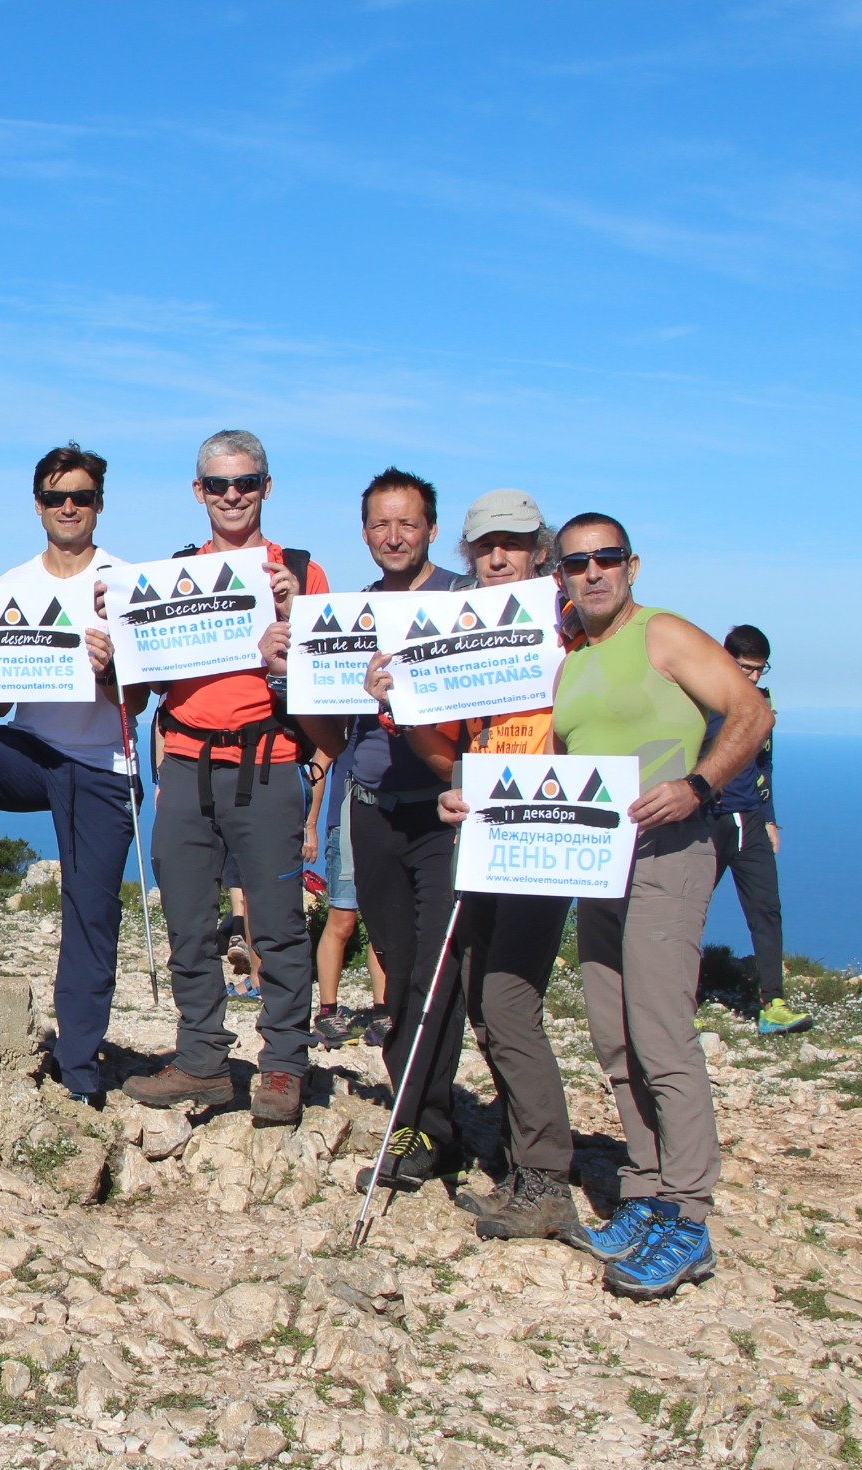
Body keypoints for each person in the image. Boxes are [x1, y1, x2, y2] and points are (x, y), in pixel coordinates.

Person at [448, 511, 771, 1298]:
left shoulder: (664, 634)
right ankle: (649, 1189)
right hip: (598, 859)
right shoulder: (574, 659)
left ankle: (687, 1219)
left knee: (660, 1030)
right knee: (614, 1032)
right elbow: (550, 774)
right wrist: (480, 806)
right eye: (577, 562)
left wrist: (698, 785)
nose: (593, 572)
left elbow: (750, 713)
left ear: (632, 564)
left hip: (671, 850)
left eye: (607, 558)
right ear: (558, 573)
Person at [0, 444, 146, 1108]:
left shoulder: (123, 581)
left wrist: (111, 670)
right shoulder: (13, 582)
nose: (67, 507)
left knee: (91, 915)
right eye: (54, 497)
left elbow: (144, 699)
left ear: (99, 503)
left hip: (105, 763)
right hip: (33, 749)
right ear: (38, 506)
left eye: (80, 496)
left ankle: (79, 1068)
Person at [384, 488, 583, 1239]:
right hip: (487, 837)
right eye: (485, 545)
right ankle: (524, 1152)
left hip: (548, 836)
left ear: (541, 551)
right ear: (470, 554)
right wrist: (450, 776)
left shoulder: (571, 632)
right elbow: (442, 740)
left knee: (504, 1005)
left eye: (516, 542)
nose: (499, 556)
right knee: (479, 992)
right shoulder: (464, 633)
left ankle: (545, 1179)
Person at [122, 430, 326, 1127]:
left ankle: (283, 1067)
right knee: (187, 922)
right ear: (198, 492)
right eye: (218, 485)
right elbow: (145, 679)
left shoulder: (300, 570)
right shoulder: (176, 572)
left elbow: (329, 686)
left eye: (245, 483)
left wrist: (298, 622)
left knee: (276, 927)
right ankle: (203, 1060)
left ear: (267, 487)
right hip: (185, 764)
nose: (232, 496)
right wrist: (113, 627)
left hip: (268, 766)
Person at [297, 469, 467, 1190]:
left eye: (407, 523)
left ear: (431, 527)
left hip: (445, 810)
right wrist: (296, 670)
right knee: (398, 969)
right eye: (378, 525)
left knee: (436, 973)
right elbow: (327, 727)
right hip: (369, 807)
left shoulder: (464, 601)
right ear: (363, 533)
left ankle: (426, 1122)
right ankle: (415, 1109)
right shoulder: (352, 610)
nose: (393, 537)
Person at [706, 625, 805, 1035]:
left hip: (751, 820)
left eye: (759, 671)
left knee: (767, 911)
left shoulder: (763, 705)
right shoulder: (702, 700)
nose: (751, 678)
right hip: (706, 819)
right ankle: (674, 1000)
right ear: (726, 659)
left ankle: (773, 1004)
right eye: (744, 668)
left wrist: (770, 818)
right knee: (688, 911)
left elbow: (764, 764)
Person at [310, 752, 386, 1046]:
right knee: (342, 921)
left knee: (382, 923)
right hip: (346, 822)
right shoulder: (347, 713)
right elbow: (320, 764)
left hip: (389, 822)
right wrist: (310, 826)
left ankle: (382, 1011)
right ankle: (327, 1012)